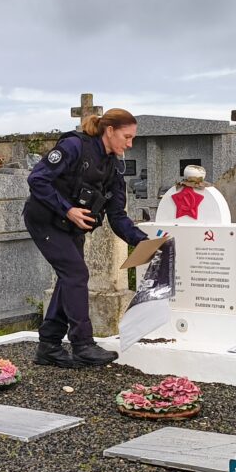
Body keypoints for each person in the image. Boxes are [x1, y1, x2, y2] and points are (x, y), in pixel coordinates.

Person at [24, 108, 148, 368]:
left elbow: (117, 216)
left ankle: (48, 346)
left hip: (72, 227)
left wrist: (143, 241)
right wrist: (67, 209)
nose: (130, 143)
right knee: (76, 274)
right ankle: (82, 345)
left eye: (132, 138)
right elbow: (37, 179)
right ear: (109, 130)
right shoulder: (73, 146)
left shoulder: (114, 166)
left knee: (70, 278)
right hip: (45, 220)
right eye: (127, 137)